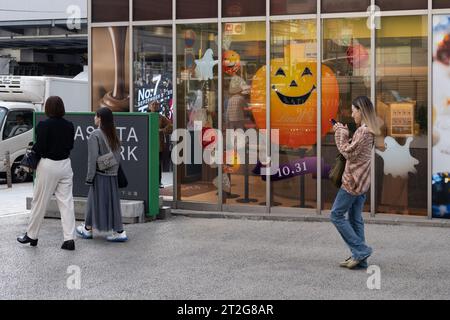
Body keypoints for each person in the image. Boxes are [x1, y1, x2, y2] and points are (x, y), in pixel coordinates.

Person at [17, 96, 76, 250]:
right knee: (67, 203)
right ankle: (69, 239)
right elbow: (70, 146)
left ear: (48, 108)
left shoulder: (44, 125)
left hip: (48, 165)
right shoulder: (69, 125)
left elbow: (40, 147)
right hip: (65, 165)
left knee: (39, 202)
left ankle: (32, 235)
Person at [331, 96, 380, 269]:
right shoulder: (369, 130)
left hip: (353, 181)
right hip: (363, 180)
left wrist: (340, 133)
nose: (352, 115)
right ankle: (360, 259)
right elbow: (356, 151)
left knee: (336, 215)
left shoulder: (364, 131)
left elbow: (348, 153)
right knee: (354, 218)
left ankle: (360, 250)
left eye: (353, 111)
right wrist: (346, 134)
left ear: (361, 110)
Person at [76, 107, 128, 242]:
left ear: (100, 118)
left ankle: (88, 229)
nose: (94, 118)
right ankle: (118, 231)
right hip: (112, 175)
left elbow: (92, 158)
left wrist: (89, 177)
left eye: (95, 116)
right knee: (112, 203)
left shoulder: (95, 134)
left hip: (100, 175)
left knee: (93, 201)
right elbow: (117, 156)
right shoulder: (113, 133)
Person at [149, 100, 173, 188]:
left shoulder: (161, 118)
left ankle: (158, 182)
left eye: (157, 104)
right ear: (149, 107)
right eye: (153, 104)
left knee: (158, 164)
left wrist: (162, 130)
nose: (155, 106)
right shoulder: (145, 116)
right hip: (147, 145)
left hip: (158, 145)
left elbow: (171, 126)